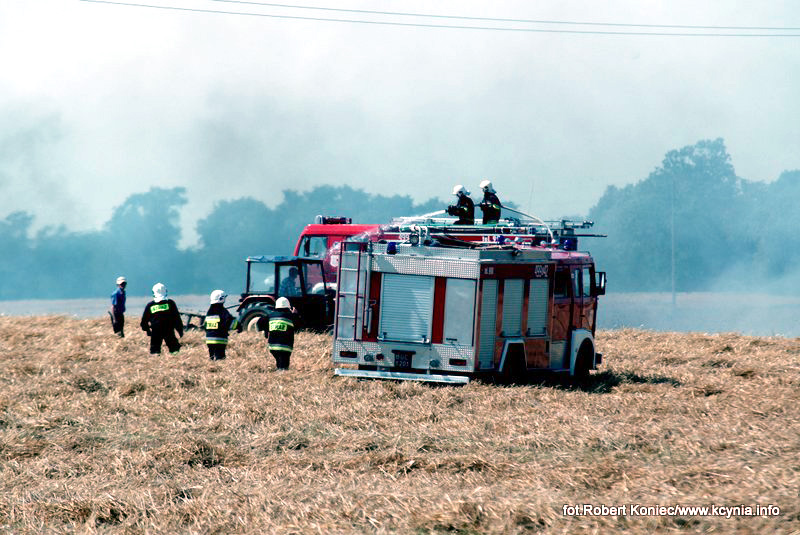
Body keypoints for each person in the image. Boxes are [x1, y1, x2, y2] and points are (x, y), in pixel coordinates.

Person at [140, 283, 183, 355]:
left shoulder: (150, 305)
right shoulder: (170, 303)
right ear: (165, 291)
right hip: (169, 330)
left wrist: (147, 330)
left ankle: (156, 359)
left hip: (155, 330)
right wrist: (180, 330)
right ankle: (175, 359)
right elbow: (177, 319)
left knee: (155, 350)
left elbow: (144, 321)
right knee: (174, 349)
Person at [263, 297, 298, 370]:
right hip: (285, 347)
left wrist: (266, 332)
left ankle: (279, 369)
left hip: (273, 347)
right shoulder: (290, 316)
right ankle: (282, 372)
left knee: (279, 361)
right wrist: (295, 314)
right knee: (284, 364)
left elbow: (259, 323)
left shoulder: (270, 316)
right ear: (288, 307)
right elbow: (299, 326)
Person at [203, 290, 238, 361]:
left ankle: (211, 363)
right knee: (220, 358)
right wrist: (238, 326)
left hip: (209, 340)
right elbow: (231, 323)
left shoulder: (209, 312)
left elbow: (205, 325)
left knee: (212, 357)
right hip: (220, 340)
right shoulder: (223, 311)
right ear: (222, 298)